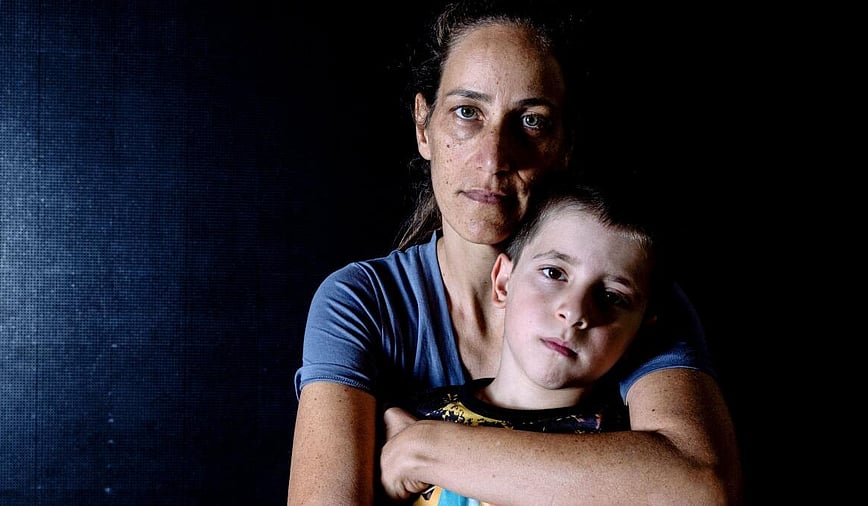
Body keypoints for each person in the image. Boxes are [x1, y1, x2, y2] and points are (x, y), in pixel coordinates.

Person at [288, 1, 742, 504]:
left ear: (565, 144)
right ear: (424, 127)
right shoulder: (362, 302)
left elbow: (701, 485)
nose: (495, 158)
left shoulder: (621, 293)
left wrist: (423, 448)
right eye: (467, 113)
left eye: (531, 121)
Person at [389, 182, 668, 506]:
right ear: (504, 282)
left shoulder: (632, 462)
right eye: (554, 272)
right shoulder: (416, 421)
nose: (574, 311)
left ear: (642, 329)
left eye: (611, 296)